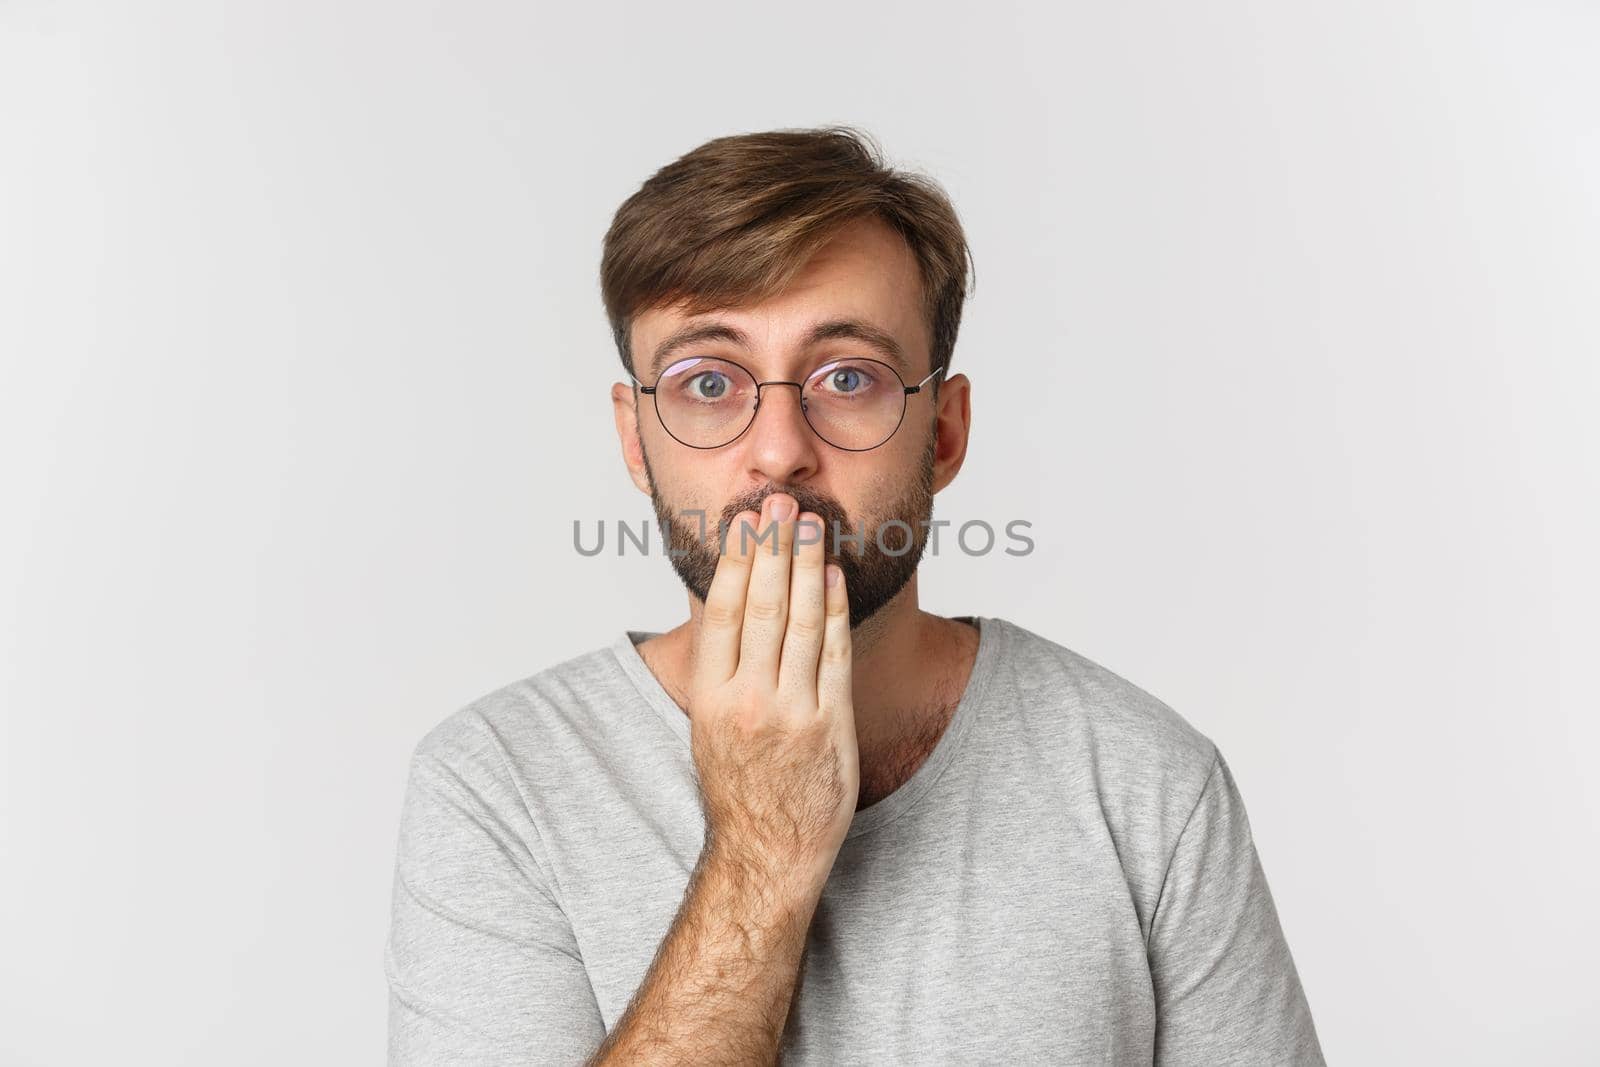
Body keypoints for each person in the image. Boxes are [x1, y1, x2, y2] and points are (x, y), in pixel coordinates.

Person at [384, 125, 1325, 1065]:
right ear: (637, 440)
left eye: (848, 378)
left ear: (945, 433)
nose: (780, 447)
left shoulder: (1146, 783)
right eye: (708, 380)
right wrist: (764, 848)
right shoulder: (494, 784)